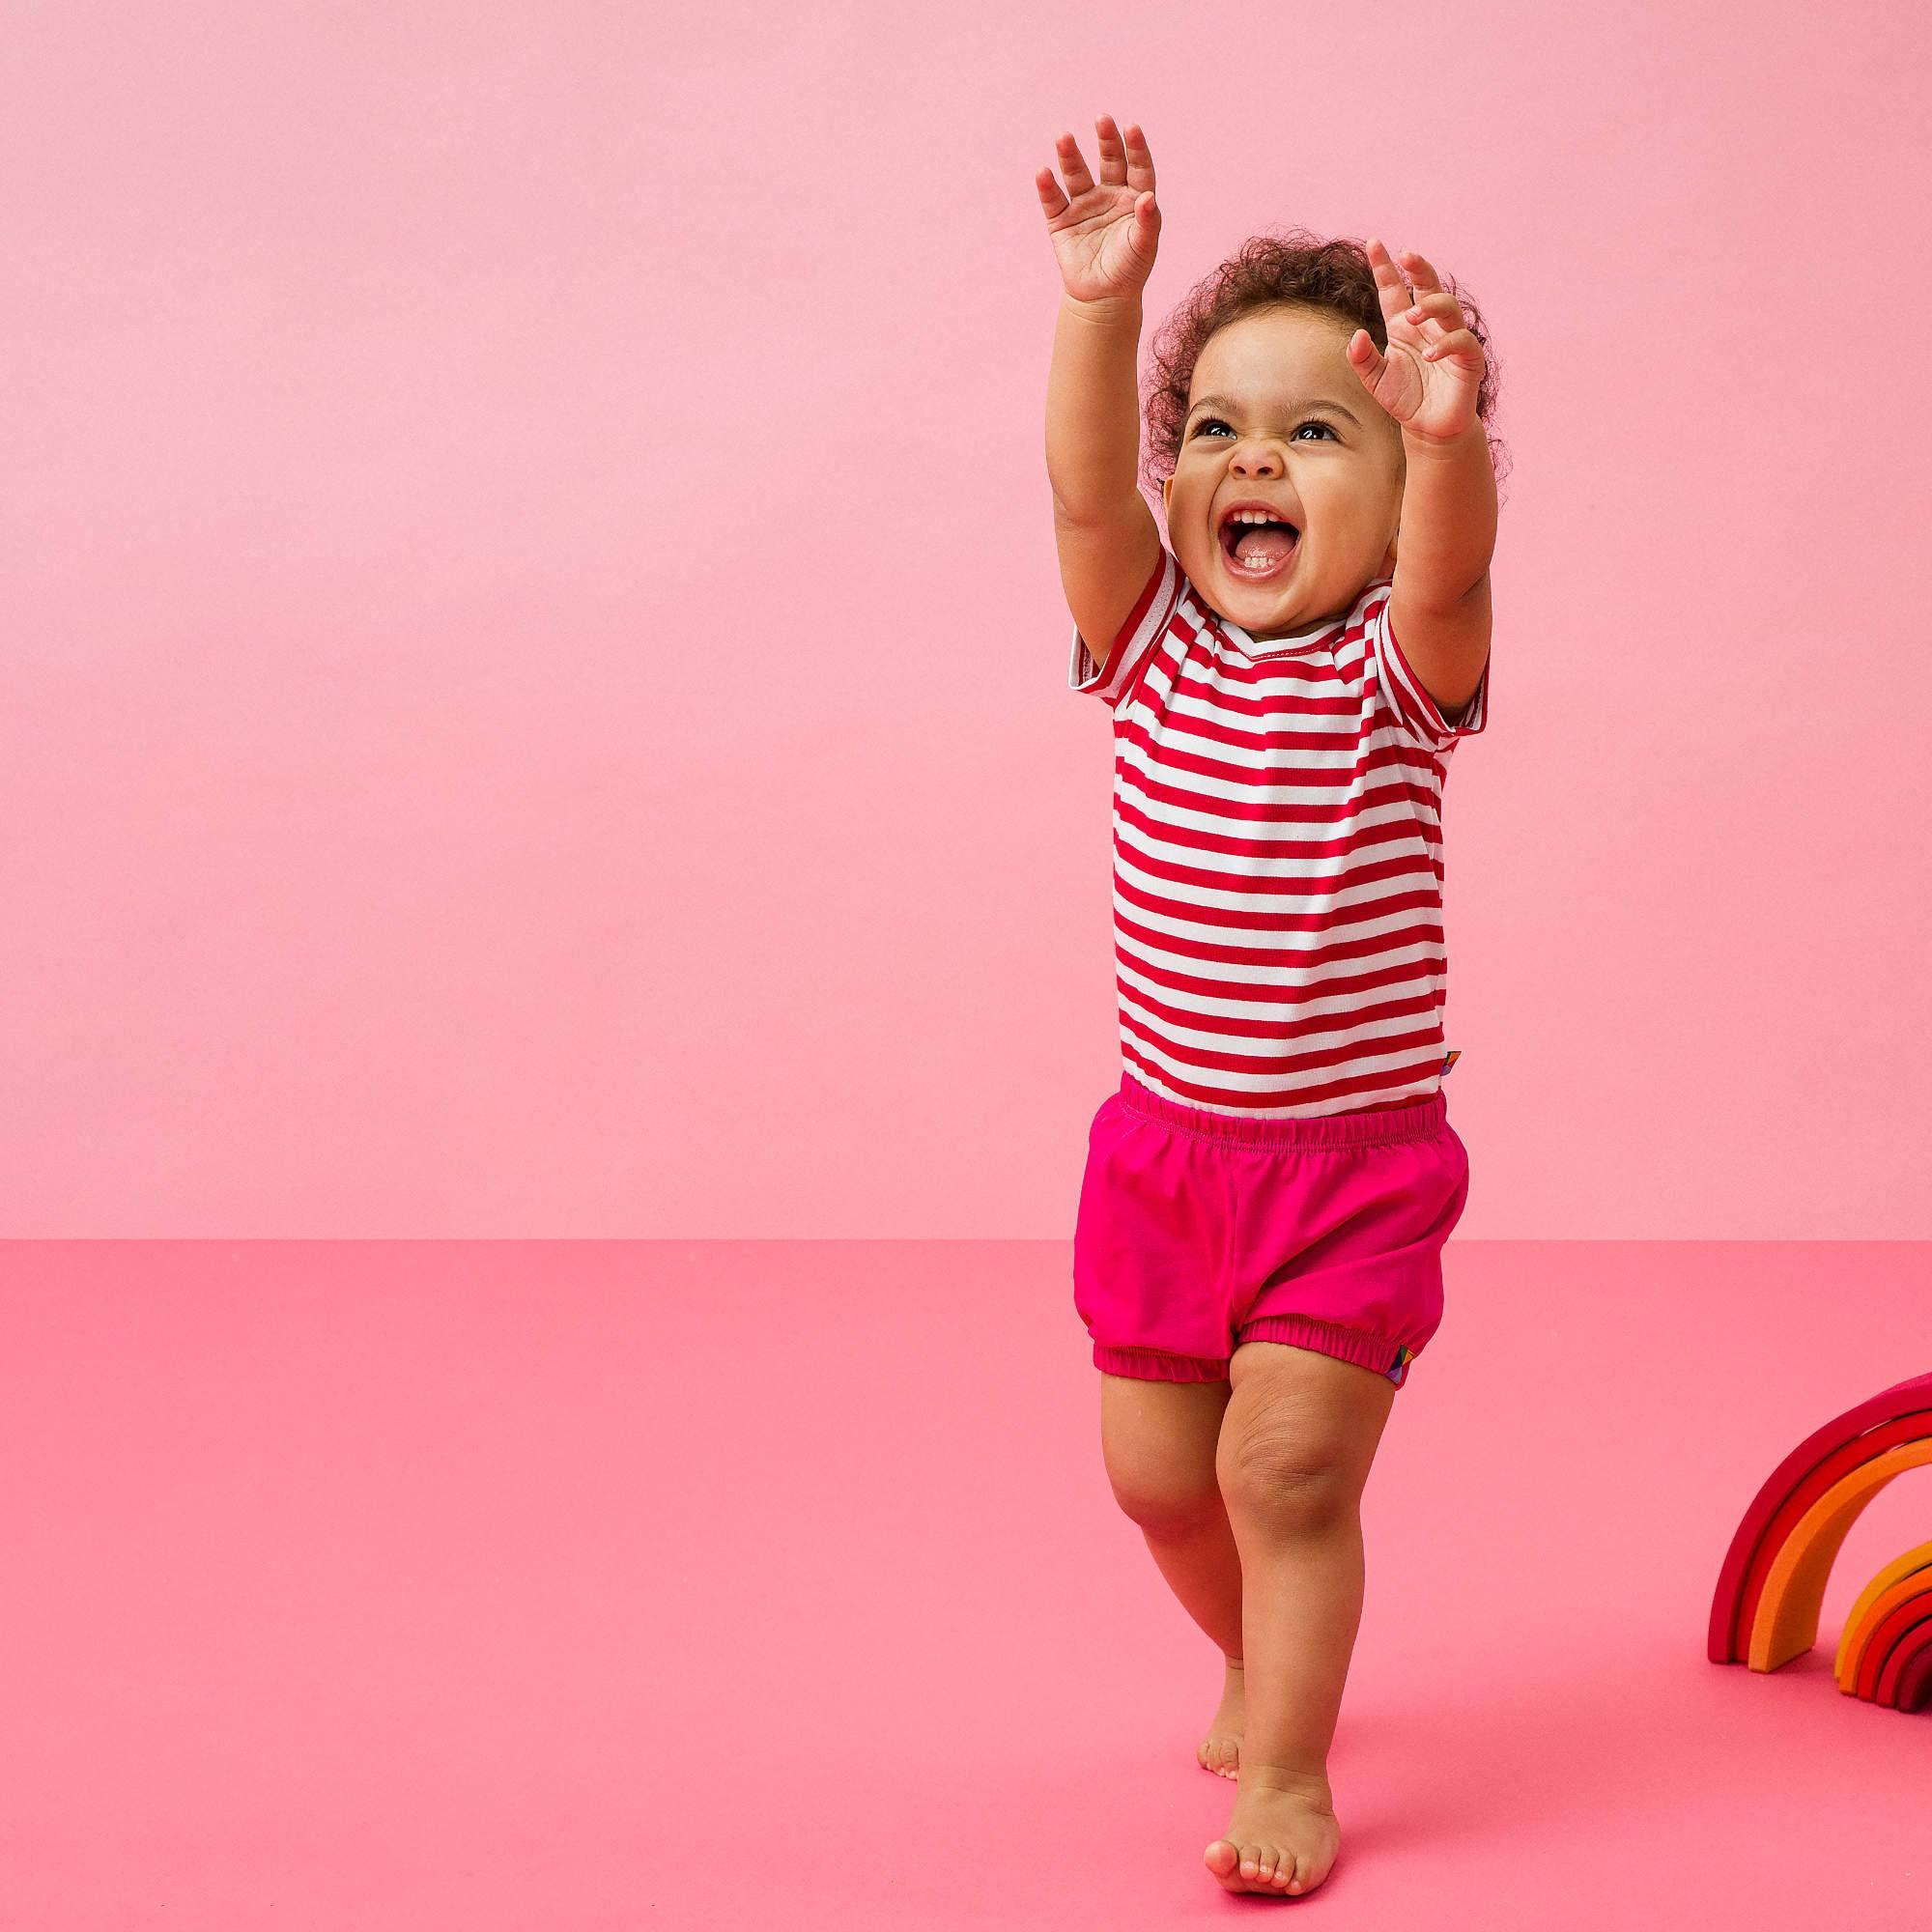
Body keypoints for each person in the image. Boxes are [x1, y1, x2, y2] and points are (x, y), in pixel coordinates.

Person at [1037, 114, 1503, 1898]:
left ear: (1388, 495)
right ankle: (1252, 1651)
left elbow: (1450, 572)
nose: (1257, 463)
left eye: (1322, 433)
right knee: (1162, 1474)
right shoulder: (1148, 643)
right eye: (1218, 432)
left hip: (1352, 1174)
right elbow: (1088, 492)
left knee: (1291, 1467)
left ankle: (1293, 1771)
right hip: (1164, 1158)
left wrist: (1454, 442)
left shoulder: (1400, 671)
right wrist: (1103, 308)